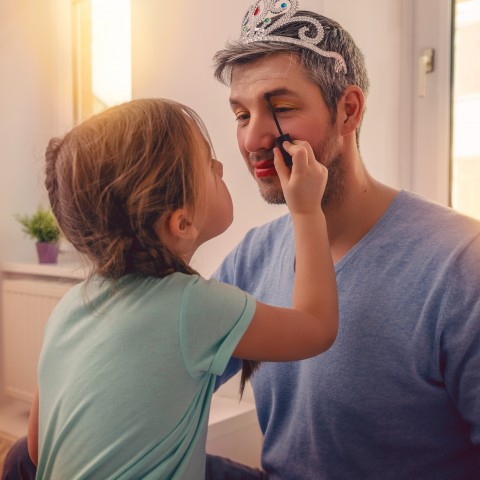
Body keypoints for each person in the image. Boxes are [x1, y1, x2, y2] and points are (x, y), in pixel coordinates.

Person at [208, 1, 480, 479]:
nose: (253, 140)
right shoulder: (253, 256)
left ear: (348, 110)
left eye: (281, 108)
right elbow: (168, 375)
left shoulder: (460, 264)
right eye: (240, 115)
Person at [3, 97, 337, 480]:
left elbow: (35, 449)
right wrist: (308, 211)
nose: (222, 165)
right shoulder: (194, 305)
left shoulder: (68, 307)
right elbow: (316, 327)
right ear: (181, 223)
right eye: (209, 166)